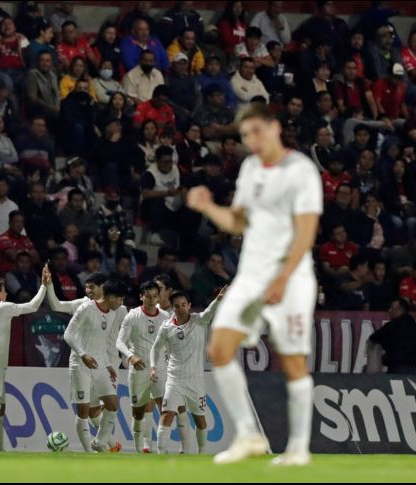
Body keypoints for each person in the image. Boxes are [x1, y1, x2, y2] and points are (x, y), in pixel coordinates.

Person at [187, 103, 323, 466]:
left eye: (257, 132)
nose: (252, 140)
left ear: (275, 128)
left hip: (291, 277)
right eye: (245, 135)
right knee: (219, 348)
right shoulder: (249, 168)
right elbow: (238, 222)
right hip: (250, 276)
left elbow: (306, 232)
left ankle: (298, 449)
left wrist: (281, 278)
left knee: (293, 361)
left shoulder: (301, 171)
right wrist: (208, 207)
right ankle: (248, 435)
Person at [0, 269, 48, 452]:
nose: (6, 292)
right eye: (3, 289)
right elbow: (32, 306)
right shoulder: (3, 308)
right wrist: (44, 285)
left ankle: (0, 451)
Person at [150, 288, 225, 455]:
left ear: (189, 305)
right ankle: (161, 454)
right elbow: (156, 349)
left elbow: (209, 312)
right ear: (173, 308)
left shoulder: (199, 321)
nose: (180, 308)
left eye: (183, 304)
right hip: (174, 379)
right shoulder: (166, 327)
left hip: (195, 381)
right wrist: (153, 366)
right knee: (167, 414)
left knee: (200, 420)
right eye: (176, 306)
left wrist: (218, 300)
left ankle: (202, 452)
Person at [62, 278, 127, 453]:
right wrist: (82, 354)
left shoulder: (112, 313)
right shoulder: (87, 308)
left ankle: (99, 441)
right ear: (112, 297)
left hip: (100, 365)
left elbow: (101, 343)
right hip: (80, 364)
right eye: (120, 300)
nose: (121, 304)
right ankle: (88, 453)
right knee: (83, 410)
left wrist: (107, 364)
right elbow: (68, 334)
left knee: (112, 404)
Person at [115, 281, 169, 454]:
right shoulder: (133, 316)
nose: (151, 300)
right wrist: (131, 356)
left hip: (160, 369)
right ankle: (140, 451)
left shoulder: (165, 316)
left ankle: (162, 450)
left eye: (155, 296)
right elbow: (119, 341)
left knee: (165, 410)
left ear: (159, 297)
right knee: (138, 413)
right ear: (141, 297)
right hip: (138, 370)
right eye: (148, 296)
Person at [368, 299, 416, 374]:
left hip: (398, 370)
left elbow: (374, 337)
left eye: (392, 308)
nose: (389, 310)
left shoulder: (392, 326)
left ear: (400, 309)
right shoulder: (412, 324)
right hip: (412, 369)